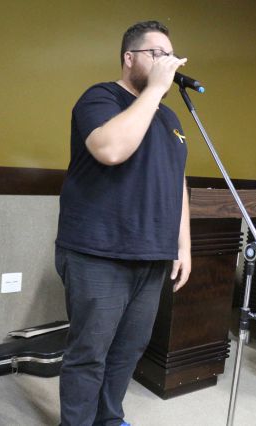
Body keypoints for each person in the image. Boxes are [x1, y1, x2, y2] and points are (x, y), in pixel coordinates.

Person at [54, 20, 191, 426]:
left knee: (129, 349)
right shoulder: (100, 97)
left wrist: (183, 245)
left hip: (151, 255)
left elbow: (177, 183)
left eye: (171, 55)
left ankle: (109, 419)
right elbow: (111, 150)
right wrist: (153, 91)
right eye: (157, 53)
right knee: (89, 353)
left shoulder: (170, 118)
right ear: (129, 57)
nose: (168, 62)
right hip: (98, 252)